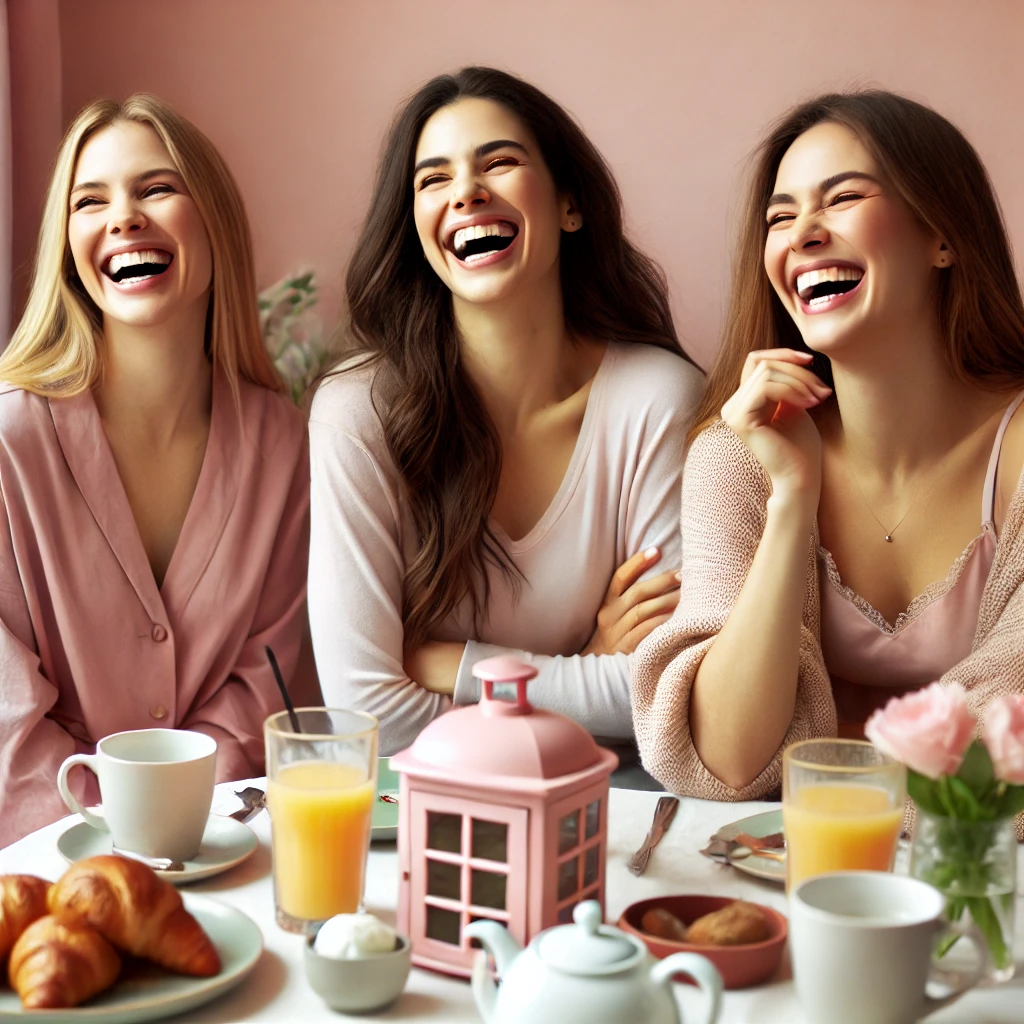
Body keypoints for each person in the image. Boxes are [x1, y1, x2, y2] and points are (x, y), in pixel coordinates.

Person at [633, 90, 1024, 803]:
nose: (802, 235)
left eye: (840, 199)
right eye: (781, 217)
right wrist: (791, 499)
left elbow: (1010, 736)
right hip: (787, 871)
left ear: (944, 235)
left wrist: (820, 764)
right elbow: (725, 759)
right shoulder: (739, 454)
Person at [309, 67, 703, 755]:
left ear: (568, 205)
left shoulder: (658, 399)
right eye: (434, 180)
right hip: (424, 820)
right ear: (416, 228)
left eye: (499, 162)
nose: (466, 192)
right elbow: (365, 718)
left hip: (619, 811)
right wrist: (585, 664)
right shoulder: (358, 413)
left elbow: (671, 690)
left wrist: (454, 664)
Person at [0, 95, 310, 846]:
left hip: (221, 844)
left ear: (216, 221)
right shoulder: (9, 441)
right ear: (67, 243)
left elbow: (264, 686)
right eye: (91, 200)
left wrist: (180, 826)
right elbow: (7, 718)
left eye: (156, 189)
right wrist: (114, 839)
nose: (124, 217)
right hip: (40, 860)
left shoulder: (282, 441)